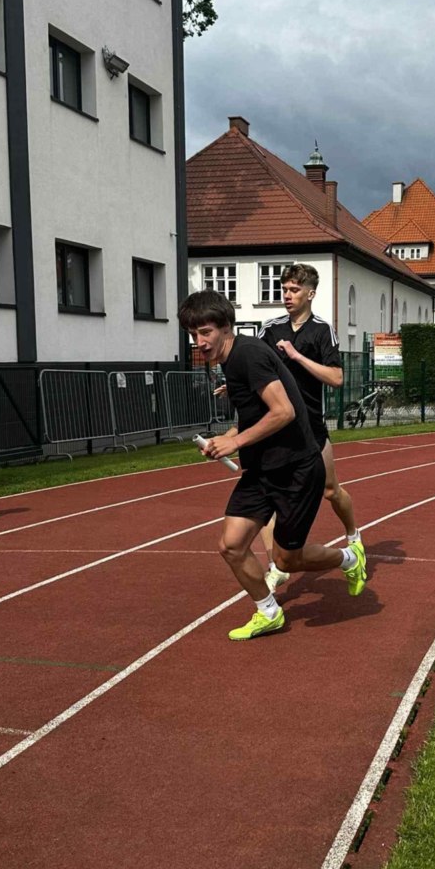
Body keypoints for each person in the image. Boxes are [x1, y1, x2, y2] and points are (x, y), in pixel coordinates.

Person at [179, 289, 367, 640]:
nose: (199, 343)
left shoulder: (247, 355)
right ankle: (268, 612)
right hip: (263, 470)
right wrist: (226, 438)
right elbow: (256, 415)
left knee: (286, 560)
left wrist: (235, 442)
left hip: (296, 470)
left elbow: (284, 411)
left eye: (205, 332)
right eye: (193, 335)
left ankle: (349, 559)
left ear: (225, 327)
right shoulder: (231, 359)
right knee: (232, 546)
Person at [256, 263, 362, 590]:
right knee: (267, 499)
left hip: (311, 426)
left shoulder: (321, 330)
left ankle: (354, 537)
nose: (287, 295)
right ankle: (277, 565)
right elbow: (255, 366)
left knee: (330, 490)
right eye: (284, 289)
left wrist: (297, 356)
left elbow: (337, 378)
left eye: (294, 290)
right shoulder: (270, 328)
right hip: (277, 426)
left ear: (310, 294)